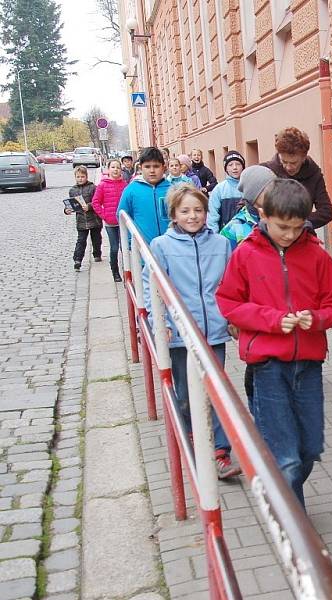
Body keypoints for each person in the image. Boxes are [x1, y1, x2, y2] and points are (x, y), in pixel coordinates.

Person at [216, 178, 332, 508]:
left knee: (309, 450)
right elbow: (229, 302)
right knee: (286, 456)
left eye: (296, 227)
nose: (289, 235)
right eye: (281, 227)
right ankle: (294, 525)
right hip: (268, 365)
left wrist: (315, 319)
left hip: (309, 363)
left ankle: (276, 487)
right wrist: (273, 320)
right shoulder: (245, 253)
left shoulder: (318, 256)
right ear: (264, 214)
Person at [143, 184, 241, 479]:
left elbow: (230, 285)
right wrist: (159, 324)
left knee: (216, 391)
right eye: (185, 211)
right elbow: (153, 288)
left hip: (213, 331)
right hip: (180, 334)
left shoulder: (221, 245)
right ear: (173, 214)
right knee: (187, 395)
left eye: (198, 210)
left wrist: (232, 317)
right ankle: (192, 439)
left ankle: (220, 451)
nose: (193, 216)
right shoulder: (161, 246)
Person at [263, 127, 332, 229]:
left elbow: (326, 212)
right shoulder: (265, 171)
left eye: (294, 163)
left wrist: (297, 223)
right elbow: (246, 206)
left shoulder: (314, 174)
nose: (288, 167)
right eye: (284, 161)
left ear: (304, 157)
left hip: (302, 235)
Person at [116, 147, 172, 245]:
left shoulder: (172, 189)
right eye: (147, 166)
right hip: (144, 249)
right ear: (141, 168)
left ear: (163, 167)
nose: (152, 170)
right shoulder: (132, 190)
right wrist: (130, 241)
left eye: (156, 166)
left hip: (170, 248)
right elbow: (122, 216)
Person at [219, 165, 276, 250]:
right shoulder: (233, 229)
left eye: (276, 188)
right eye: (269, 189)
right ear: (253, 194)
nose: (274, 193)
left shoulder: (282, 218)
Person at [91, 159, 128, 282]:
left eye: (118, 167)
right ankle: (115, 272)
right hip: (110, 223)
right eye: (113, 167)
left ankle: (127, 271)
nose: (116, 170)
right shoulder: (103, 185)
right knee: (114, 248)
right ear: (108, 170)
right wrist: (104, 215)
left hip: (123, 223)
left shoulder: (125, 185)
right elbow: (96, 202)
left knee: (125, 248)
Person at [65, 166, 103, 271]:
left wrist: (89, 206)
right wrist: (67, 210)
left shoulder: (93, 187)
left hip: (94, 219)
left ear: (86, 176)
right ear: (75, 177)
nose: (80, 179)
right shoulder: (72, 190)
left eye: (82, 176)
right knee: (81, 241)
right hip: (81, 220)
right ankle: (77, 260)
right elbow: (71, 205)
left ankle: (97, 253)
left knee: (96, 238)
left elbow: (97, 201)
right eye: (78, 177)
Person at [207, 150, 245, 233]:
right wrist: (214, 236)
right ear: (226, 168)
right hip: (226, 235)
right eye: (230, 165)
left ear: (242, 166)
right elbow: (212, 216)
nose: (234, 167)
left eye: (238, 164)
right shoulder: (219, 189)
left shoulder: (249, 187)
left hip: (247, 236)